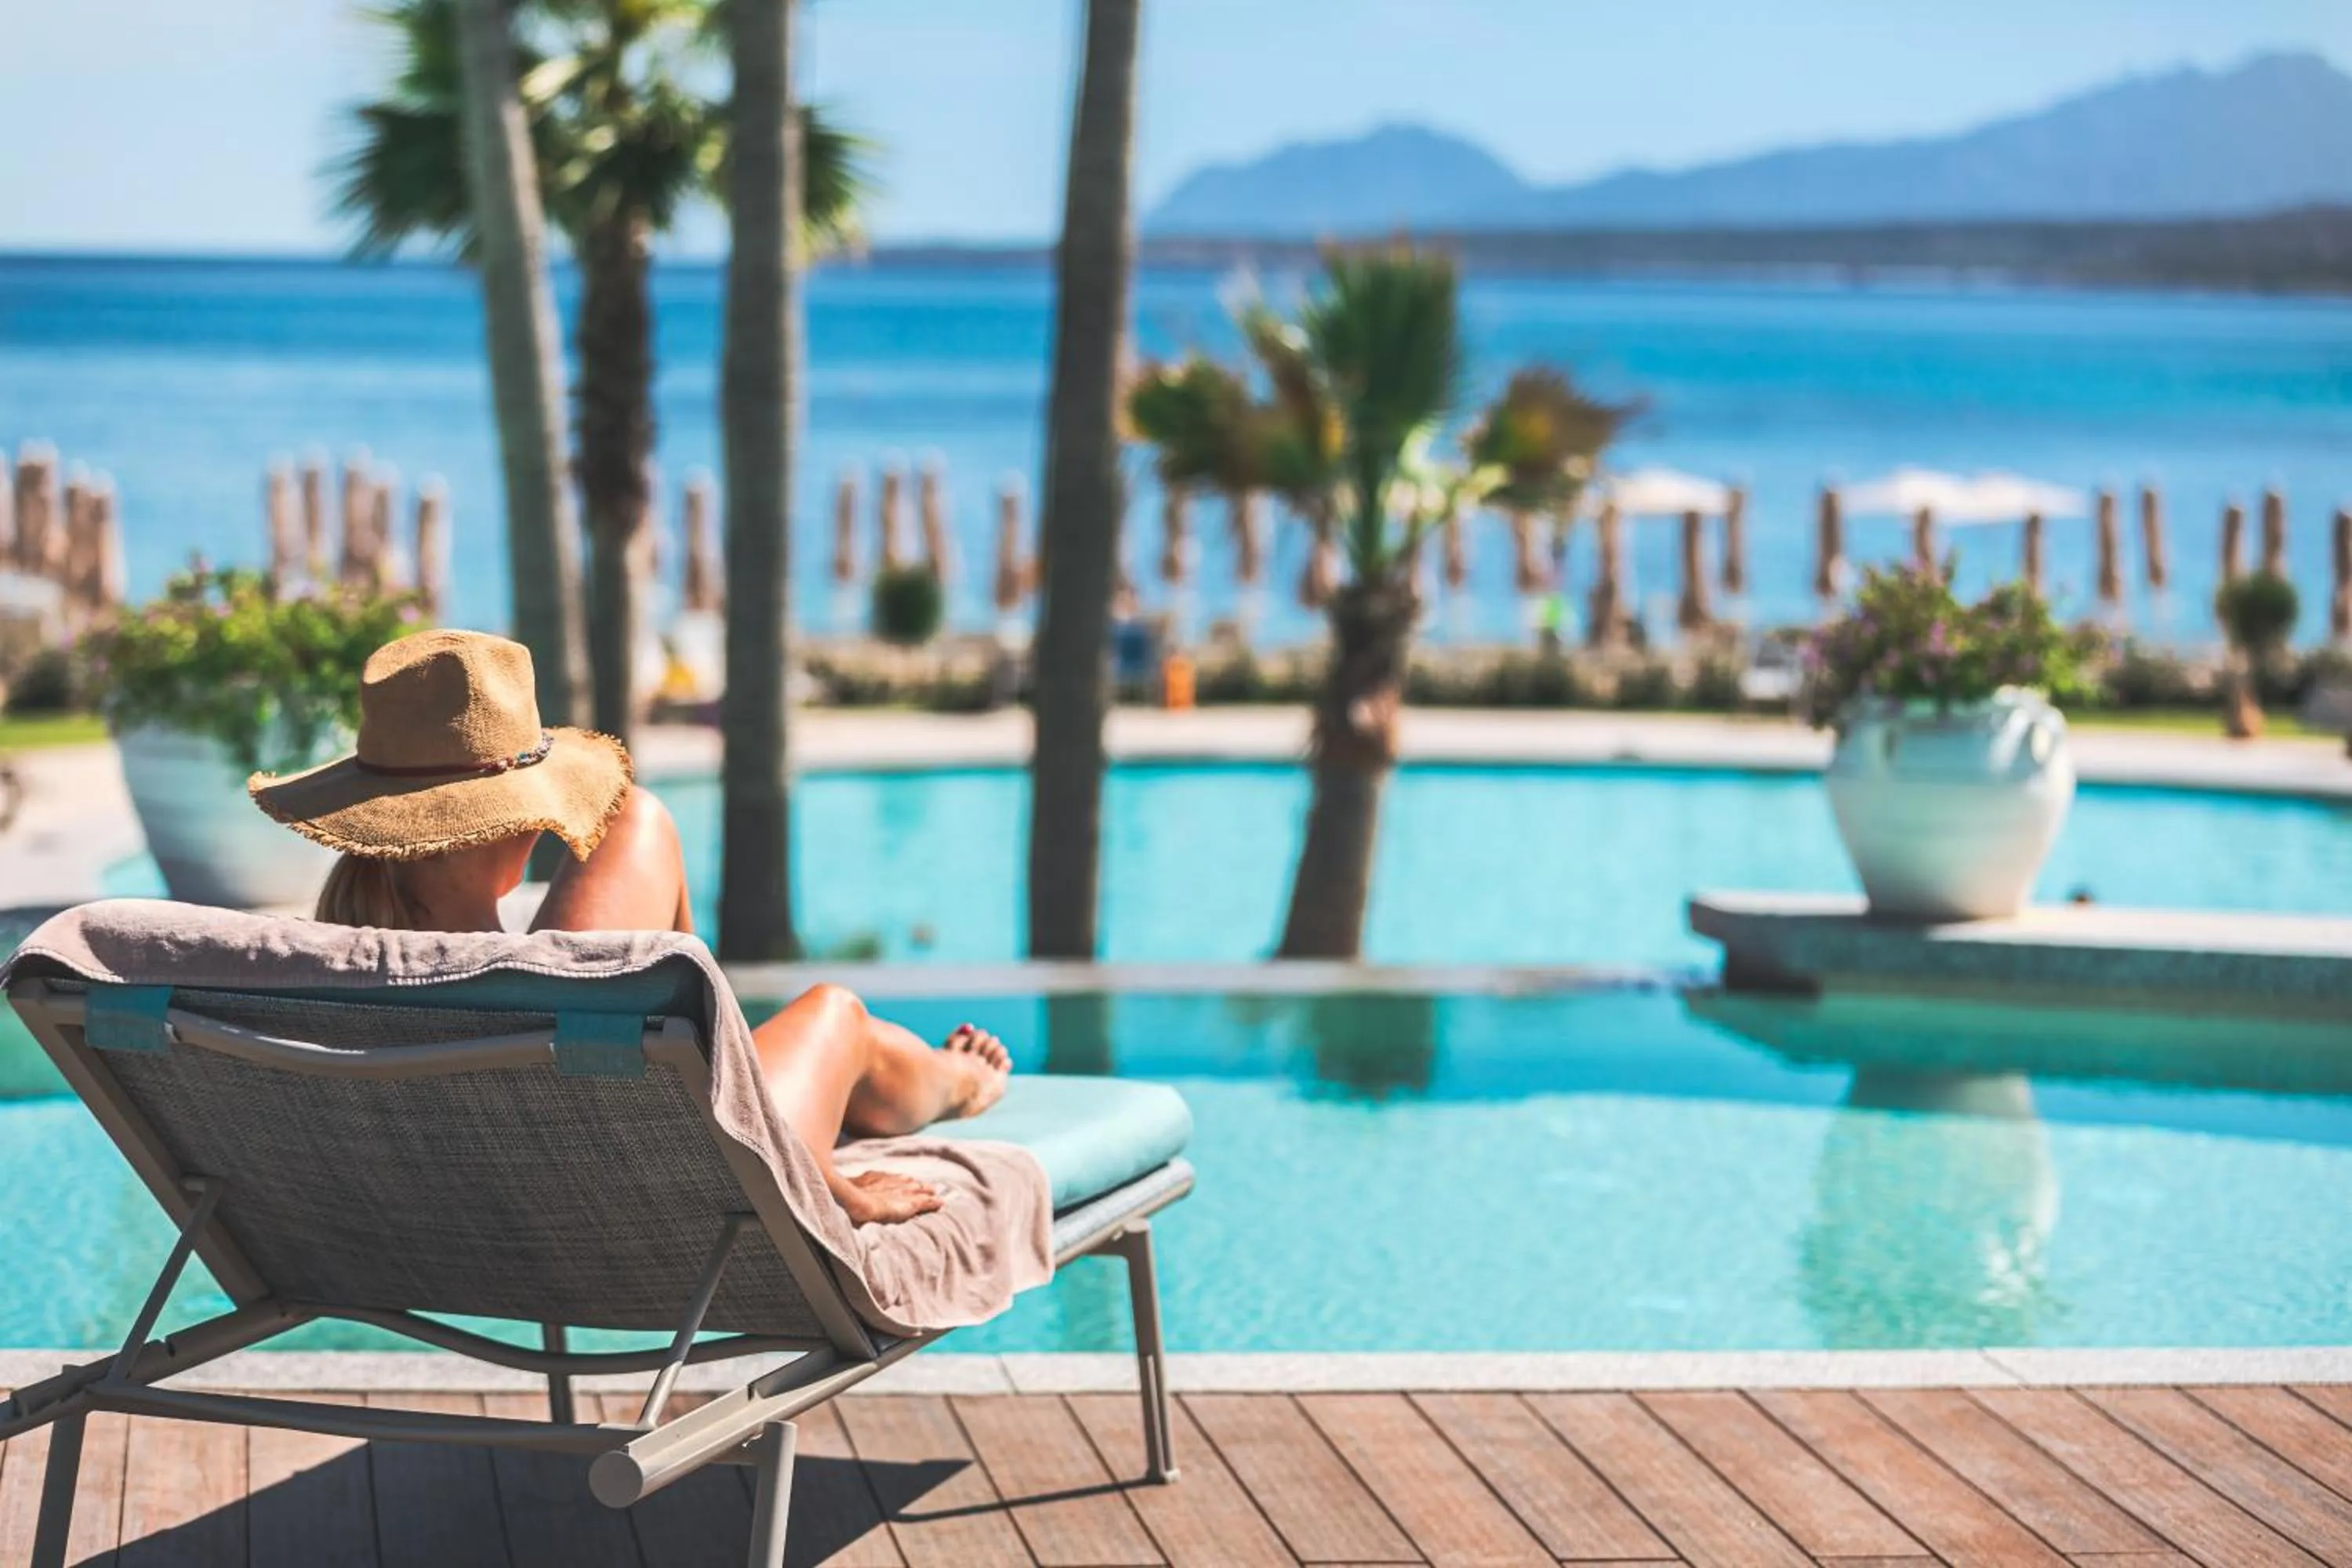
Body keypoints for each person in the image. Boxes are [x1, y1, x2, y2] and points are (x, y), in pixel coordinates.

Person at [248, 628, 1008, 1226]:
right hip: (658, 1196)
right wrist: (839, 1188)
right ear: (521, 825)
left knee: (830, 1036)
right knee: (837, 1017)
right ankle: (963, 1081)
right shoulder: (526, 991)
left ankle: (934, 1076)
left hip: (459, 1216)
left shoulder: (327, 962)